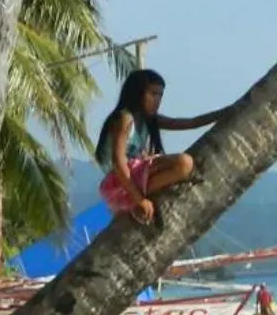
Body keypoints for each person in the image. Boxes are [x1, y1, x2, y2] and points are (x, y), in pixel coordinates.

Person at [93, 71, 228, 224]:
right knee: (184, 163)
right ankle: (132, 200)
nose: (157, 99)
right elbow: (118, 162)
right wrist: (140, 199)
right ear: (137, 92)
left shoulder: (148, 119)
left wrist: (225, 112)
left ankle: (135, 198)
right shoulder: (125, 118)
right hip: (120, 183)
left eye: (160, 95)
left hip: (134, 178)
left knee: (185, 165)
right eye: (152, 93)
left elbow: (189, 122)